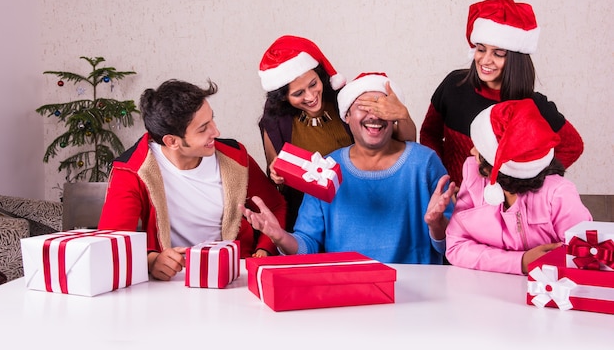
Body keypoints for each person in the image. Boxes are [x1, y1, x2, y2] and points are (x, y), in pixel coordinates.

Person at [242, 72, 456, 265]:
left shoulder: (424, 162)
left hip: (417, 294)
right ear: (346, 116)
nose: (374, 115)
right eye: (364, 107)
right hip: (349, 291)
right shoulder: (325, 169)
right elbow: (307, 245)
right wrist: (279, 236)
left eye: (381, 107)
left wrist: (437, 224)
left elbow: (451, 246)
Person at [98, 79, 287, 281]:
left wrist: (265, 249)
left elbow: (275, 207)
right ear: (172, 141)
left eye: (212, 120)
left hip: (234, 274)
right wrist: (150, 260)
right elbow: (111, 245)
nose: (216, 132)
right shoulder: (132, 170)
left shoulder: (235, 157)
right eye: (203, 128)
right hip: (173, 282)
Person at [258, 35, 417, 232]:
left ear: (320, 76)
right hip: (307, 218)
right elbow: (277, 174)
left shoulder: (346, 100)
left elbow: (407, 142)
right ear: (283, 98)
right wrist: (276, 173)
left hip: (357, 206)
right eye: (298, 94)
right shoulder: (275, 122)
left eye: (313, 84)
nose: (310, 96)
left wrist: (401, 114)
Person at [420, 0, 583, 187]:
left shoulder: (532, 106)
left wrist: (528, 185)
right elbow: (429, 133)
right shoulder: (454, 85)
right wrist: (440, 178)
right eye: (481, 49)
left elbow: (572, 146)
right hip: (451, 202)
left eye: (498, 53)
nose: (485, 60)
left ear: (515, 59)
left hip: (500, 211)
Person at [445, 99, 593, 275]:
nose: (472, 151)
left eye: (480, 147)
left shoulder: (558, 195)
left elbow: (583, 257)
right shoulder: (474, 178)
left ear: (497, 161)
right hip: (485, 292)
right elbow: (455, 247)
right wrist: (520, 262)